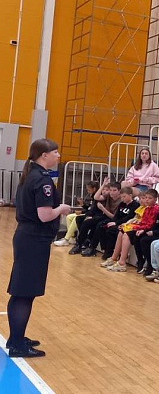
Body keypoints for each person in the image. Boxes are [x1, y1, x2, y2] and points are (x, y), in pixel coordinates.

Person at [7, 139, 71, 358]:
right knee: (25, 292)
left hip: (27, 237)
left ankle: (16, 337)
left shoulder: (30, 175)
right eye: (55, 152)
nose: (58, 156)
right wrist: (61, 208)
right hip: (34, 239)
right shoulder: (42, 180)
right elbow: (45, 215)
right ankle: (17, 344)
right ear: (44, 155)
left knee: (21, 290)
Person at [109, 189, 159, 273]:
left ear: (155, 200)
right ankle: (115, 258)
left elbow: (150, 224)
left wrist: (138, 228)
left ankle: (123, 262)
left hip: (148, 230)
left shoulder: (156, 209)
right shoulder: (147, 209)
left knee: (128, 235)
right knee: (122, 232)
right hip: (142, 228)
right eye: (146, 198)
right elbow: (142, 222)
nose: (146, 200)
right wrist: (136, 227)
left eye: (149, 198)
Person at [99, 187, 139, 265]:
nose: (122, 198)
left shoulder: (135, 205)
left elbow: (129, 217)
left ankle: (110, 253)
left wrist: (116, 223)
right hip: (118, 222)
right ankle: (106, 249)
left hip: (124, 224)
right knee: (102, 226)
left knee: (111, 231)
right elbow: (116, 215)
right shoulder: (121, 204)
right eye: (121, 197)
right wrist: (113, 221)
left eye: (124, 196)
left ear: (130, 195)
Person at [54, 180, 97, 247]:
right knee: (69, 217)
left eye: (89, 190)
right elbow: (89, 208)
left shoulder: (97, 197)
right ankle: (72, 238)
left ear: (94, 189)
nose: (88, 191)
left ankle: (66, 238)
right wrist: (83, 204)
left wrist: (83, 212)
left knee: (76, 218)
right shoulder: (92, 197)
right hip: (88, 213)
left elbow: (93, 211)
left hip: (92, 215)